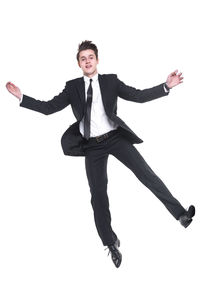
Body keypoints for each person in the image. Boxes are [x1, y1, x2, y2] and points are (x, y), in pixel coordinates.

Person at [6, 40, 195, 268]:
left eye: (91, 57)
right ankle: (111, 243)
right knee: (98, 196)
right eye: (83, 58)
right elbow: (49, 108)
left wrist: (166, 86)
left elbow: (138, 96)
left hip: (116, 139)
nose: (87, 61)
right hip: (92, 146)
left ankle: (181, 215)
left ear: (97, 60)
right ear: (79, 63)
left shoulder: (110, 81)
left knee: (147, 175)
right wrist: (22, 97)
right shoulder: (72, 87)